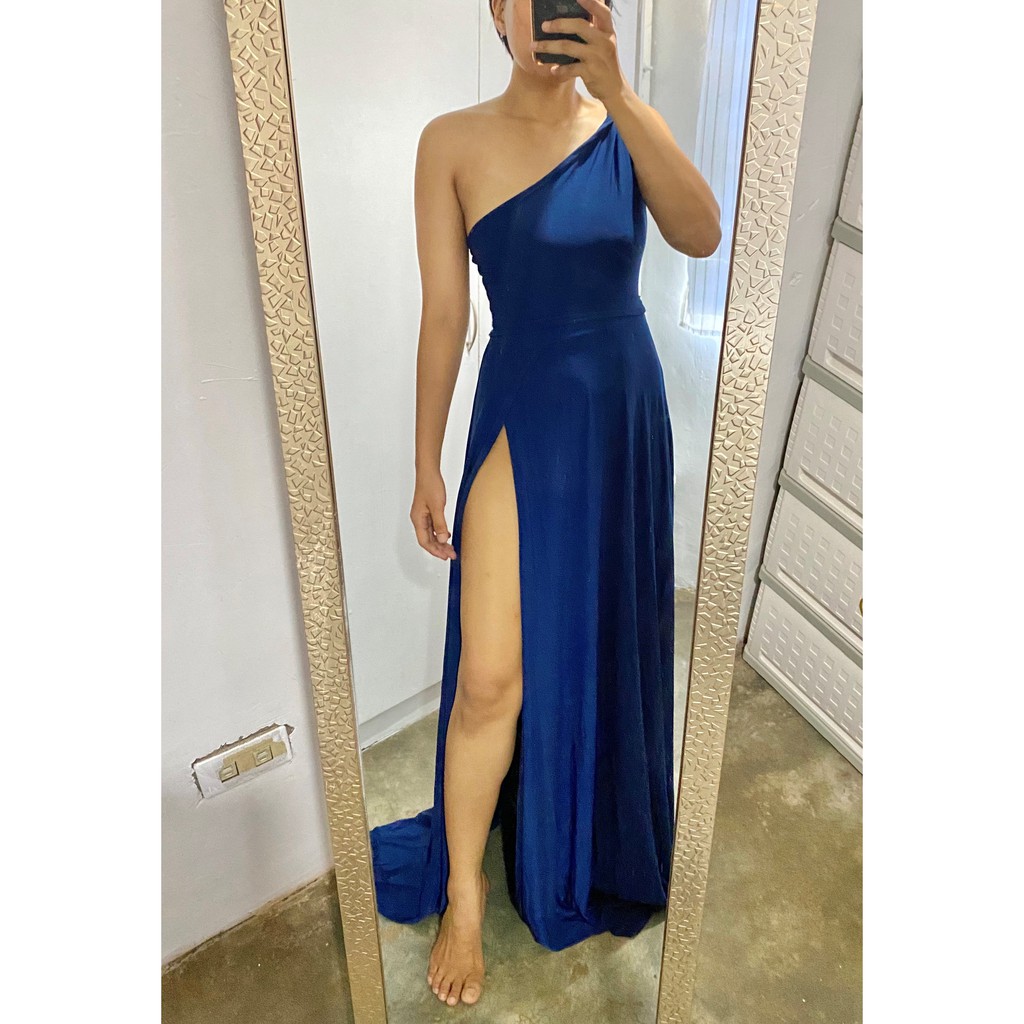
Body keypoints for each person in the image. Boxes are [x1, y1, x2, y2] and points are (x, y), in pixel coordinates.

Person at [370, 0, 722, 1008]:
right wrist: (426, 460)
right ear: (497, 10)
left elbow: (700, 235)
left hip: (620, 408)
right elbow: (446, 313)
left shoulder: (625, 128)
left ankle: (589, 827)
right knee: (490, 679)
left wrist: (622, 96)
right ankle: (464, 891)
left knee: (606, 639)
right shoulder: (451, 141)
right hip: (524, 406)